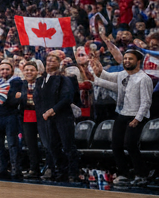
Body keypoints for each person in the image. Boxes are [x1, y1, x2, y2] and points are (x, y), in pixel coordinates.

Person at [89, 48, 152, 183]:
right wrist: (96, 64)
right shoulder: (122, 74)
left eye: (130, 59)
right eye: (125, 59)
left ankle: (142, 174)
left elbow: (146, 101)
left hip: (137, 115)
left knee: (131, 145)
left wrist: (137, 119)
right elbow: (104, 76)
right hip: (122, 114)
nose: (127, 61)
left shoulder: (144, 78)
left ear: (138, 61)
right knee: (116, 145)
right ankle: (124, 174)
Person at [38, 50, 80, 183]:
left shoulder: (66, 78)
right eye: (48, 60)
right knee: (52, 146)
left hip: (63, 116)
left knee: (68, 145)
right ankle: (62, 170)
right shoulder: (42, 79)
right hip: (49, 118)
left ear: (59, 63)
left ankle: (73, 173)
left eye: (53, 60)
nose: (49, 62)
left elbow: (67, 97)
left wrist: (53, 109)